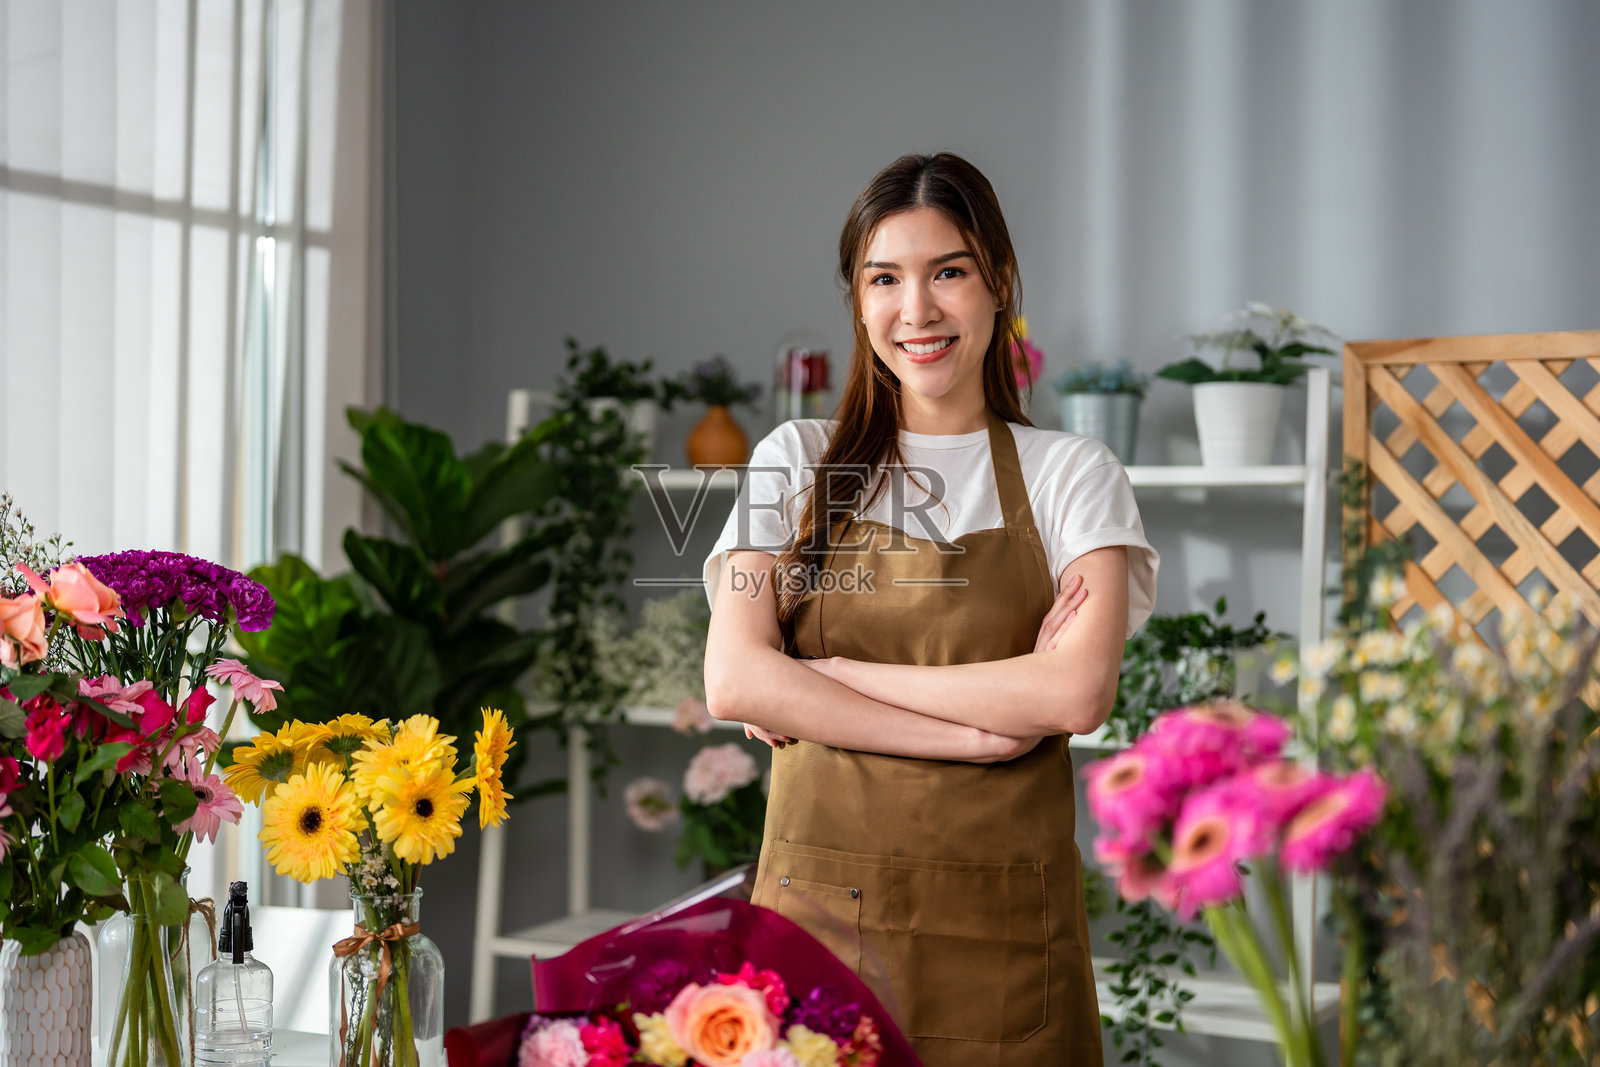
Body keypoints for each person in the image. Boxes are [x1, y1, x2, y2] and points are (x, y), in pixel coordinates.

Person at [701, 152, 1158, 1066]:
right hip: (816, 929)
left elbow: (1074, 695)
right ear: (859, 299)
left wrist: (828, 678)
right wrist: (975, 732)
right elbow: (736, 678)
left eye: (947, 271)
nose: (917, 311)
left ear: (997, 282)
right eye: (884, 279)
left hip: (1003, 946)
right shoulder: (793, 460)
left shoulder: (1073, 475)